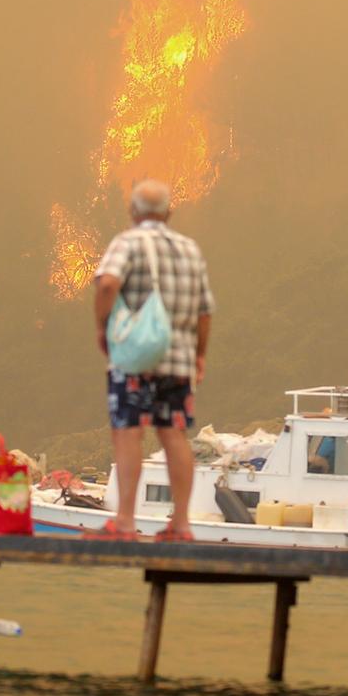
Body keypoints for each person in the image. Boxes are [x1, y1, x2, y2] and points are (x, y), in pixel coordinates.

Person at [92, 180, 214, 540]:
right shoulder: (190, 249)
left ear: (132, 212)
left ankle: (126, 522)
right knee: (174, 434)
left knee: (129, 432)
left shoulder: (127, 242)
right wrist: (200, 355)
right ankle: (181, 523)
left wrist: (103, 327)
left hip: (134, 358)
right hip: (177, 362)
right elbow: (205, 312)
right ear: (168, 213)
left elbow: (108, 284)